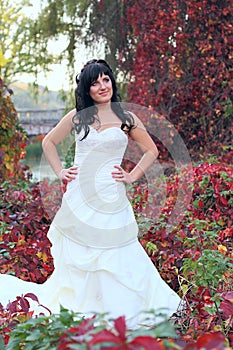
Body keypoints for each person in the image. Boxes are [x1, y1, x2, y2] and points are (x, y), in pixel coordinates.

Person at [0, 59, 181, 328]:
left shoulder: (127, 118)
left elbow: (152, 150)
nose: (102, 86)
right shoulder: (79, 116)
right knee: (82, 254)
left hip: (112, 195)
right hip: (80, 195)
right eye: (95, 83)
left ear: (112, 82)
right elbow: (49, 142)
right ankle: (86, 306)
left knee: (118, 252)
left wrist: (131, 176)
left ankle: (122, 308)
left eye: (105, 79)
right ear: (87, 89)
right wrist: (61, 171)